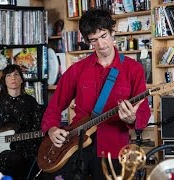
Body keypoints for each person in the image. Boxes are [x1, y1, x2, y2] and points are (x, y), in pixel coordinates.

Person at [40, 8, 151, 180]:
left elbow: (143, 110)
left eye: (104, 36)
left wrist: (132, 119)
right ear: (87, 41)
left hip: (114, 148)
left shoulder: (133, 69)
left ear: (112, 32)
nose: (101, 45)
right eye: (94, 40)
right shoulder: (77, 70)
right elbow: (54, 106)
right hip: (77, 147)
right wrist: (52, 129)